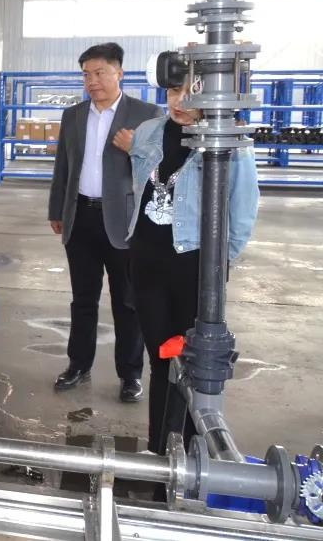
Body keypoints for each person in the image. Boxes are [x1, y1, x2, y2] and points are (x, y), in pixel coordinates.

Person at [121, 77, 258, 455]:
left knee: (194, 364)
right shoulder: (149, 131)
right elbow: (138, 188)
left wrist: (216, 266)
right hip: (147, 265)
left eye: (189, 94)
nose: (179, 102)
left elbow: (242, 210)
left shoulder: (231, 141)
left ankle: (194, 455)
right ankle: (160, 451)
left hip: (194, 269)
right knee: (161, 360)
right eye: (172, 92)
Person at [47, 42, 161, 403]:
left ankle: (130, 374)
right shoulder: (74, 115)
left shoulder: (147, 114)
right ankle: (78, 365)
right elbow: (63, 166)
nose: (92, 81)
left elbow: (161, 169)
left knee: (127, 302)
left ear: (119, 73)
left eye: (99, 73)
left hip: (124, 222)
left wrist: (136, 148)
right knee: (83, 299)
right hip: (80, 217)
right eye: (86, 74)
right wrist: (56, 209)